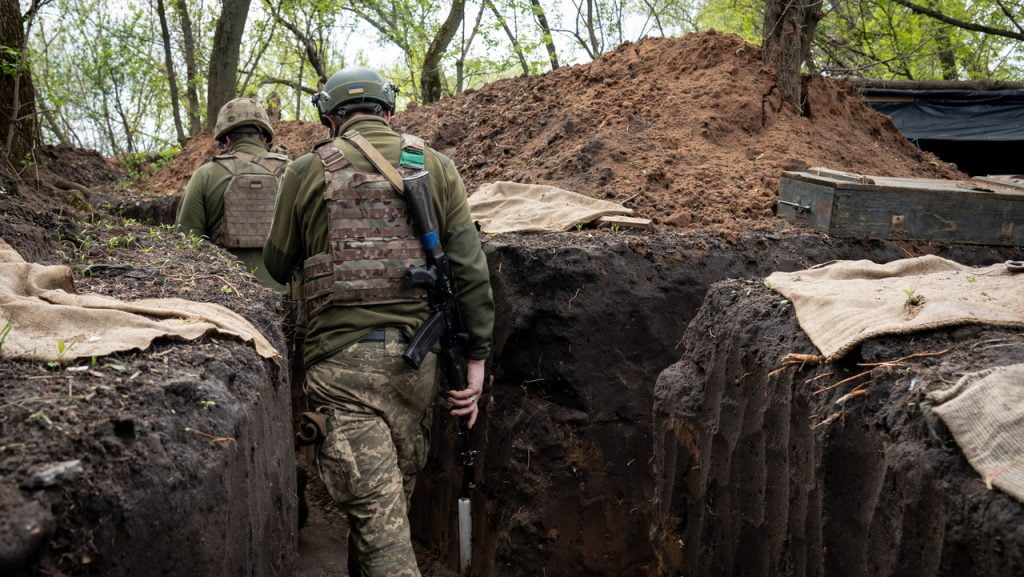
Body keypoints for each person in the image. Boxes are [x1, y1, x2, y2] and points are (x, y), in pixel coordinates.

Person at [263, 67, 494, 577]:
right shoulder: (435, 166)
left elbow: (277, 266)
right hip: (417, 371)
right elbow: (470, 270)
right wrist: (476, 361)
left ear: (330, 119)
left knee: (382, 534)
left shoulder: (305, 169)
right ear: (389, 111)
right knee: (384, 516)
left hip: (340, 369)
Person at [175, 97, 289, 292]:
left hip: (229, 299)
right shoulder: (293, 171)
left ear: (226, 139)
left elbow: (186, 243)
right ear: (266, 138)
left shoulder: (205, 175)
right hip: (288, 298)